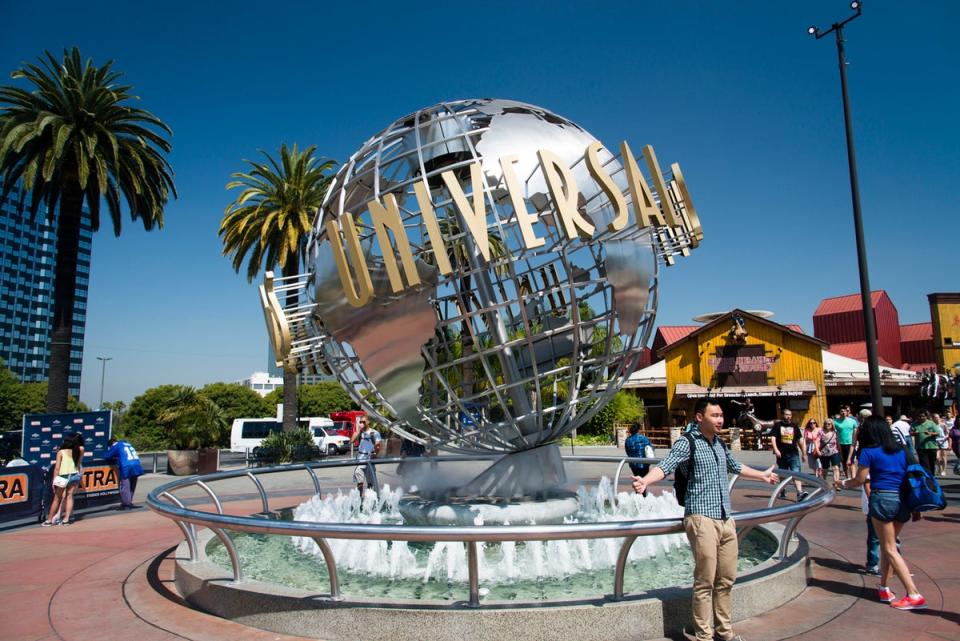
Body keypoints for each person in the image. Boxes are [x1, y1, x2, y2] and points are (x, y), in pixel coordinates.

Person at [632, 398, 778, 641]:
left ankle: (725, 632)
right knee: (705, 581)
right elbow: (666, 465)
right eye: (715, 415)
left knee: (726, 579)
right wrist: (646, 480)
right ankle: (704, 636)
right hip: (701, 518)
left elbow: (735, 466)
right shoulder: (687, 443)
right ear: (700, 417)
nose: (720, 419)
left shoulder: (719, 443)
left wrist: (762, 475)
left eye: (721, 415)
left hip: (725, 518)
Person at [839, 416, 926, 610]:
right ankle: (885, 587)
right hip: (902, 500)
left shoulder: (868, 452)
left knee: (889, 547)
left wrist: (842, 483)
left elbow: (860, 479)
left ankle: (913, 593)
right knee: (889, 545)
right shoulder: (901, 451)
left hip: (882, 498)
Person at [42, 433, 84, 526]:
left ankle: (49, 520)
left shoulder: (61, 452)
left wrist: (54, 480)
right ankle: (66, 520)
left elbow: (57, 468)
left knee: (57, 498)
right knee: (69, 497)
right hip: (74, 475)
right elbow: (79, 463)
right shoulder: (79, 450)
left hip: (63, 476)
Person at [765, 409, 806, 501]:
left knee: (796, 473)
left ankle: (799, 493)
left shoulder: (794, 426)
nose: (789, 416)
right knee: (783, 473)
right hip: (781, 454)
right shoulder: (777, 425)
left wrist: (803, 453)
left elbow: (800, 440)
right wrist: (776, 449)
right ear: (783, 415)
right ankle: (783, 489)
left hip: (793, 454)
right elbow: (773, 438)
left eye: (790, 415)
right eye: (787, 415)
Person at [102, 436, 145, 509]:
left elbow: (107, 456)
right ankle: (129, 501)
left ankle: (126, 504)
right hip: (137, 464)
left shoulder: (116, 445)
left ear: (111, 444)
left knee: (125, 485)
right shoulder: (127, 444)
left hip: (127, 466)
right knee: (132, 484)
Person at [624, 423, 654, 497]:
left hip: (633, 464)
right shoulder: (644, 438)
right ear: (638, 430)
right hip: (644, 463)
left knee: (637, 480)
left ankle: (638, 496)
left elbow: (627, 451)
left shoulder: (628, 440)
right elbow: (651, 448)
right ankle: (643, 497)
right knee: (643, 480)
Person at [352, 418, 382, 493]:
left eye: (364, 422)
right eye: (360, 421)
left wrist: (375, 453)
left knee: (370, 482)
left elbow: (378, 445)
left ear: (368, 422)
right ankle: (359, 499)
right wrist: (358, 430)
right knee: (359, 480)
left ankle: (370, 498)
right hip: (360, 459)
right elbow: (352, 441)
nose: (362, 423)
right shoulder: (359, 432)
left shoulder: (374, 433)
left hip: (369, 458)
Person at [910, 410, 940, 477]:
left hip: (931, 447)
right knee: (924, 464)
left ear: (926, 416)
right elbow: (910, 432)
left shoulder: (931, 423)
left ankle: (932, 476)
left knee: (931, 464)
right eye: (919, 416)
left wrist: (930, 433)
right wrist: (914, 433)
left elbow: (938, 432)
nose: (921, 417)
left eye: (923, 416)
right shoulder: (914, 424)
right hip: (920, 447)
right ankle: (927, 477)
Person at [834, 406, 859, 479]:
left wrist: (855, 442)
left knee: (851, 462)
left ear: (847, 412)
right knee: (844, 462)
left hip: (850, 444)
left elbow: (856, 431)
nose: (843, 412)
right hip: (840, 444)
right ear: (839, 412)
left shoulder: (853, 421)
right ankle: (847, 477)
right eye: (842, 411)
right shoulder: (835, 422)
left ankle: (853, 478)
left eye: (845, 411)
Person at [818, 419, 842, 487]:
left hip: (834, 452)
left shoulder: (835, 432)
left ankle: (836, 484)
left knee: (836, 468)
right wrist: (817, 450)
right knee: (825, 469)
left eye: (829, 424)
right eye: (826, 423)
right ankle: (824, 481)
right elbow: (817, 441)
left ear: (832, 425)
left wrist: (840, 453)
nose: (827, 425)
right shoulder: (821, 432)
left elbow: (838, 443)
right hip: (824, 452)